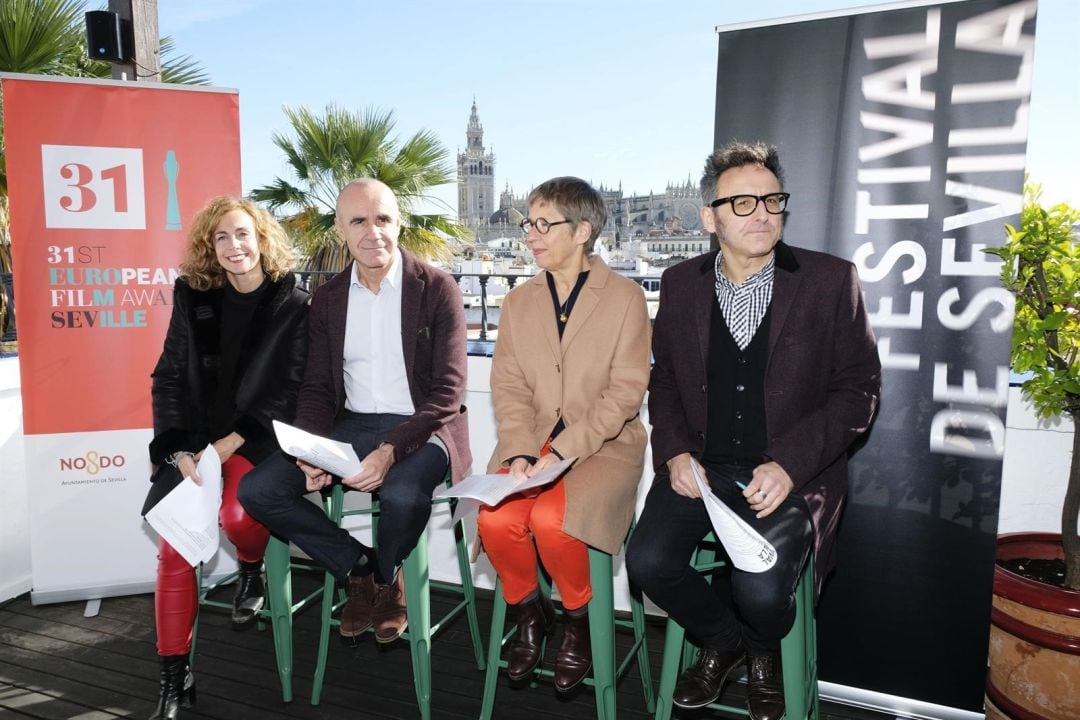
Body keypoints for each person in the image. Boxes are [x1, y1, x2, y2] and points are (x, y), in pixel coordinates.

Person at [626, 142, 881, 720]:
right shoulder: (680, 283)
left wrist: (790, 463)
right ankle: (725, 643)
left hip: (793, 475)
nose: (762, 212)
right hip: (701, 469)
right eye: (742, 202)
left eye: (771, 199)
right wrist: (672, 455)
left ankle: (764, 650)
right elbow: (663, 383)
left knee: (762, 590)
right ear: (709, 217)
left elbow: (859, 389)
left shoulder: (829, 280)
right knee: (646, 564)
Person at [239, 178, 471, 647]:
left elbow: (447, 392)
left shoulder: (437, 288)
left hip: (425, 428)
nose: (374, 232)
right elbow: (319, 387)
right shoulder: (327, 299)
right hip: (353, 425)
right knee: (259, 489)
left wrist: (390, 450)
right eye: (359, 221)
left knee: (404, 496)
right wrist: (309, 449)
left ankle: (385, 577)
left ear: (399, 222)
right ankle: (361, 567)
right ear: (341, 230)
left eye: (383, 218)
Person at [478, 177, 651, 693]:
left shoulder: (626, 298)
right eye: (529, 223)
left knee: (555, 521)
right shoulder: (516, 303)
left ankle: (577, 617)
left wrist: (563, 450)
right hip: (528, 444)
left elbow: (624, 395)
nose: (530, 233)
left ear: (582, 231)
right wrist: (522, 450)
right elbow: (507, 386)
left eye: (543, 224)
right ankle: (530, 612)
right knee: (495, 517)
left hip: (604, 445)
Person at [144, 196, 310, 720]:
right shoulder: (193, 297)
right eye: (221, 237)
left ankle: (252, 566)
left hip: (256, 440)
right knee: (174, 551)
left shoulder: (294, 303)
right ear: (209, 248)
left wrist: (232, 441)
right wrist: (174, 447)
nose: (234, 246)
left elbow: (290, 389)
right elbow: (169, 376)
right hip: (193, 444)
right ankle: (175, 678)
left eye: (243, 234)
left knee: (240, 515)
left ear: (262, 238)